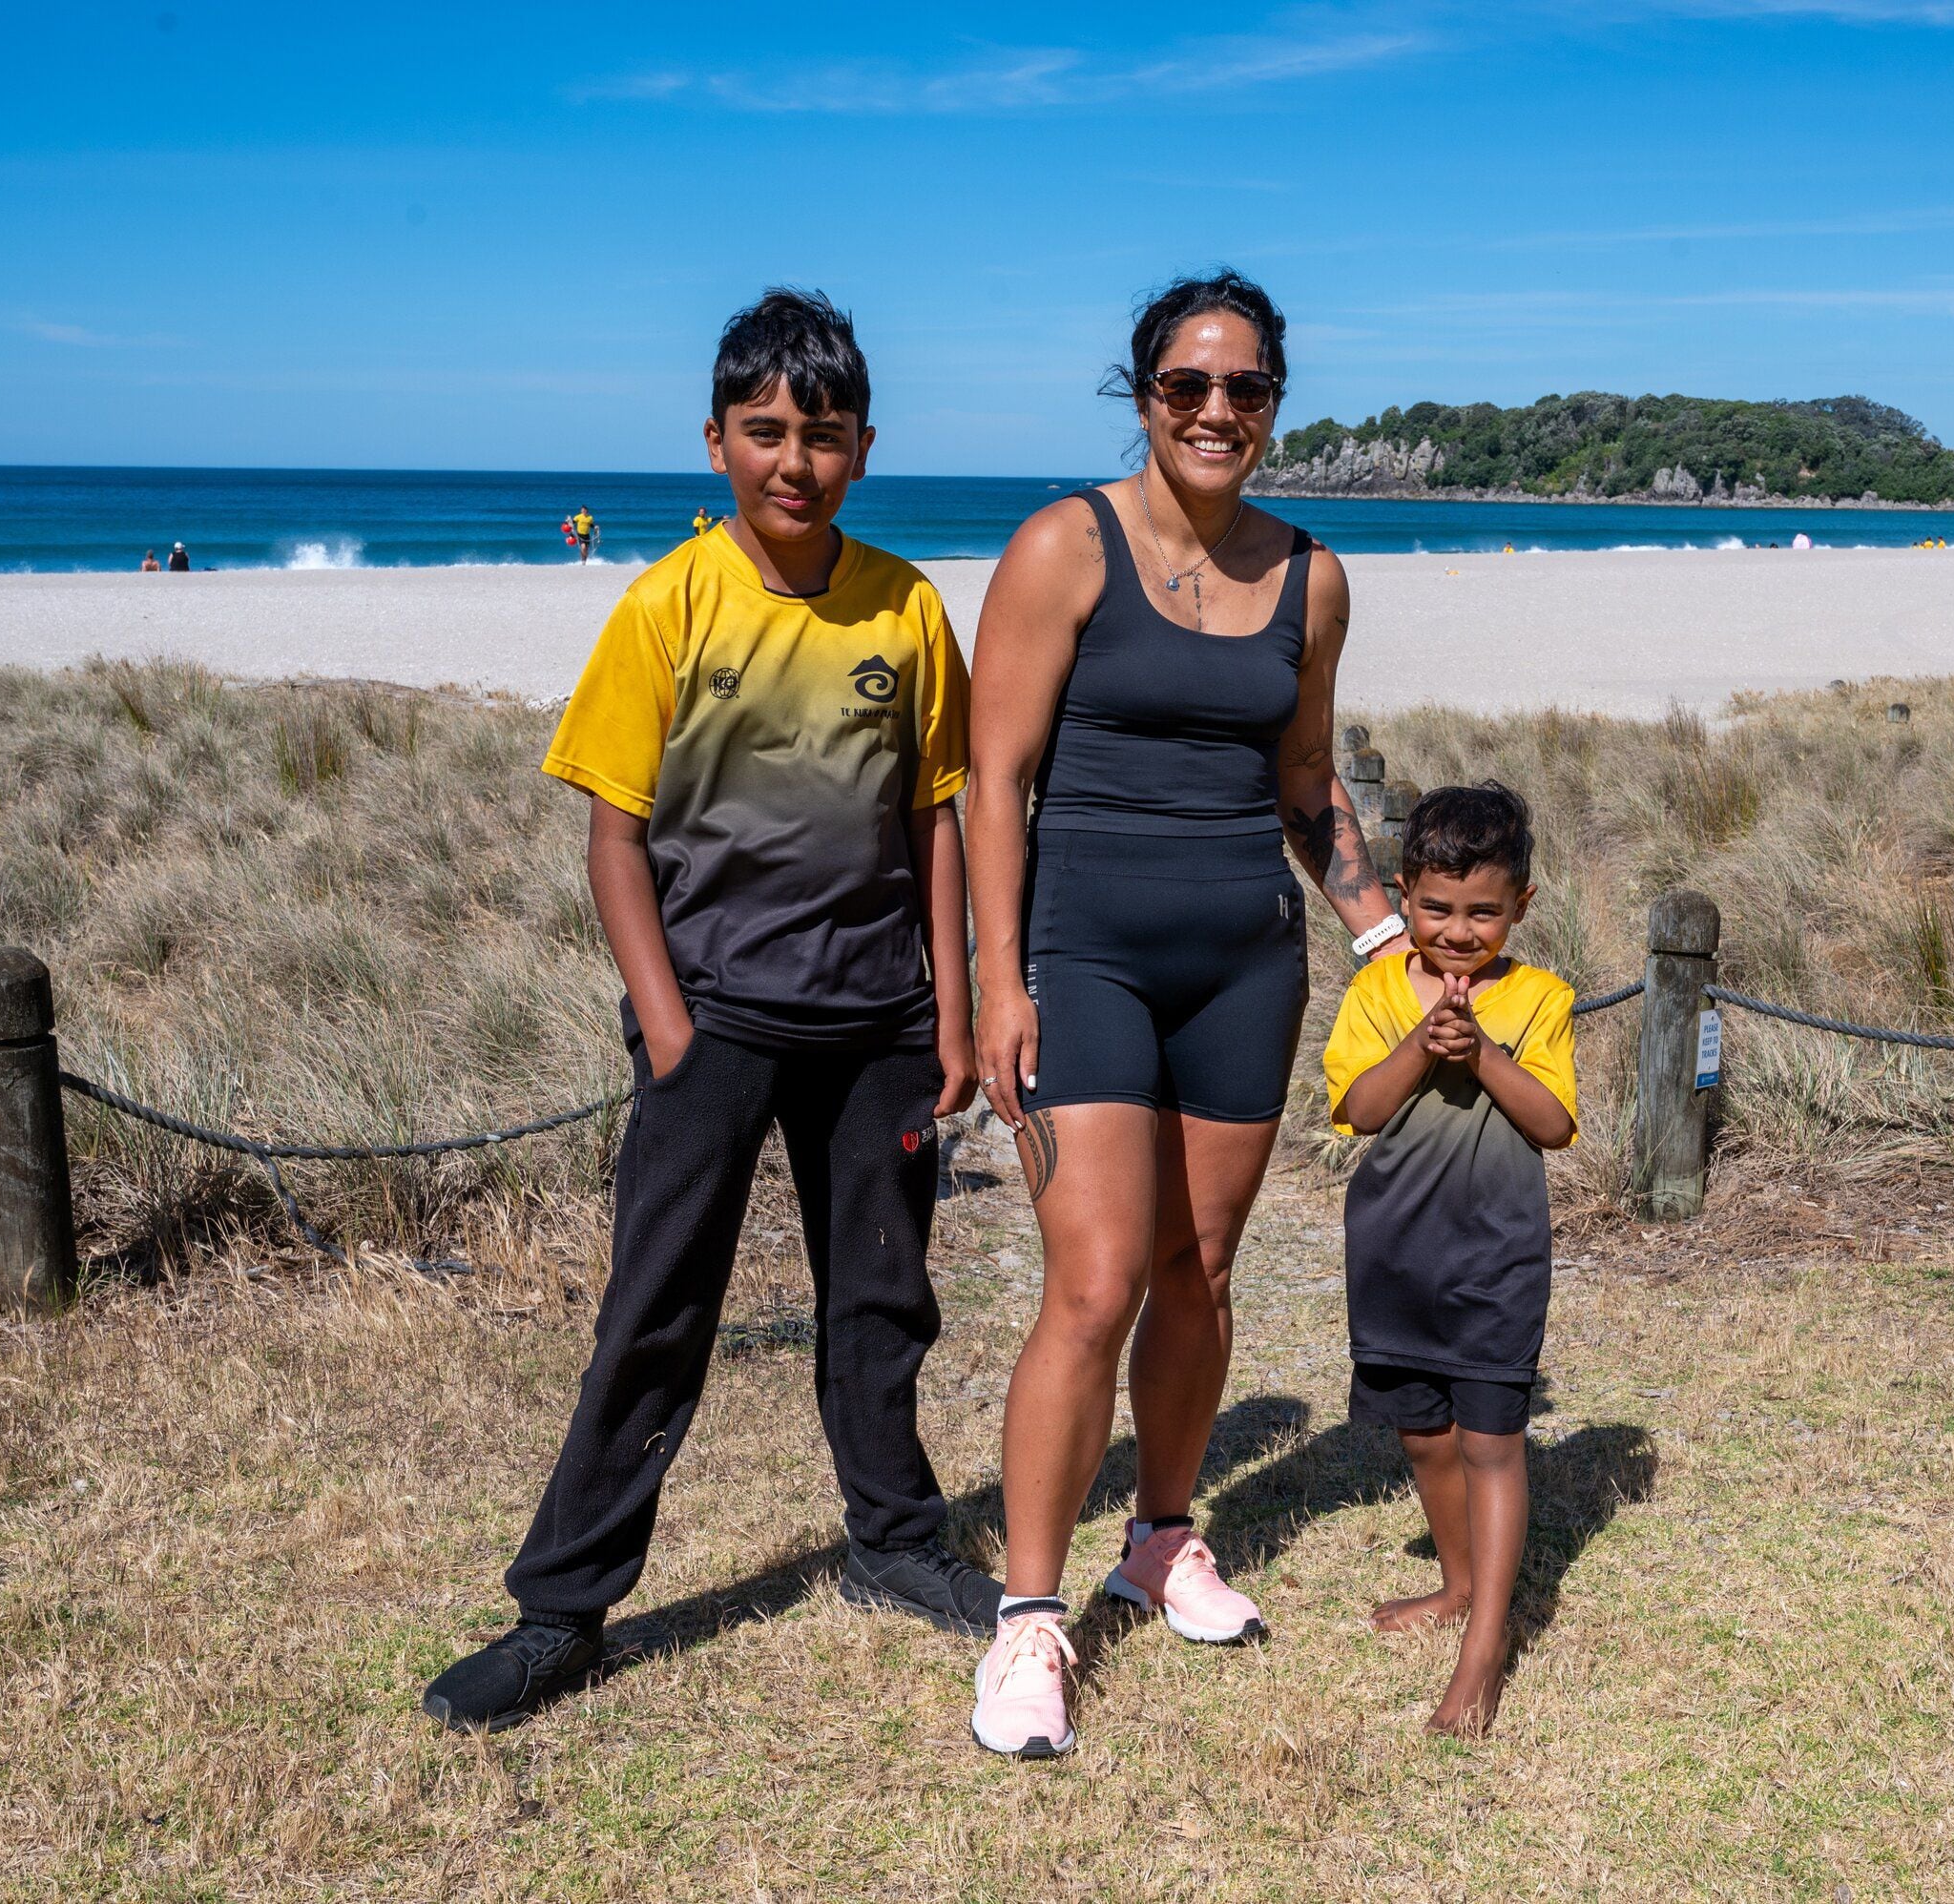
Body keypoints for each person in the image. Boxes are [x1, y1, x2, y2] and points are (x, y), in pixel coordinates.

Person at [420, 287, 997, 1735]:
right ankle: (561, 1610)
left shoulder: (908, 607)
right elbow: (614, 837)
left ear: (865, 448)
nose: (795, 461)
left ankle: (895, 1542)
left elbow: (936, 816)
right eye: (766, 431)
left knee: (883, 1295)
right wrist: (669, 1027)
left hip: (878, 1021)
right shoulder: (667, 603)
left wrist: (953, 1009)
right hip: (719, 1019)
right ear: (717, 439)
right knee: (657, 1308)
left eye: (823, 435)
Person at [963, 270, 1401, 1759]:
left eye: (1246, 387)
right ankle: (1030, 1622)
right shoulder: (1062, 546)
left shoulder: (1313, 578)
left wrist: (1381, 933)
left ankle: (1158, 1539)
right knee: (1094, 1286)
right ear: (1143, 394)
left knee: (1198, 1268)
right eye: (1187, 385)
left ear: (1275, 402)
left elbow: (1305, 781)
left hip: (1243, 966)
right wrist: (1000, 981)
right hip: (1084, 958)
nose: (1217, 410)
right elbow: (994, 782)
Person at [1322, 783, 1576, 1739]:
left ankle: (1485, 1647)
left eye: (1483, 911)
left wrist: (1484, 1056)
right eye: (1437, 908)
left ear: (1521, 905)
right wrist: (1420, 1047)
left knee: (1491, 1442)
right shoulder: (1377, 993)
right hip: (1395, 1252)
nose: (1459, 931)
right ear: (1403, 896)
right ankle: (1460, 1584)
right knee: (1425, 1434)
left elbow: (1553, 1124)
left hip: (1496, 1255)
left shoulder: (1541, 999)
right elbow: (1361, 1109)